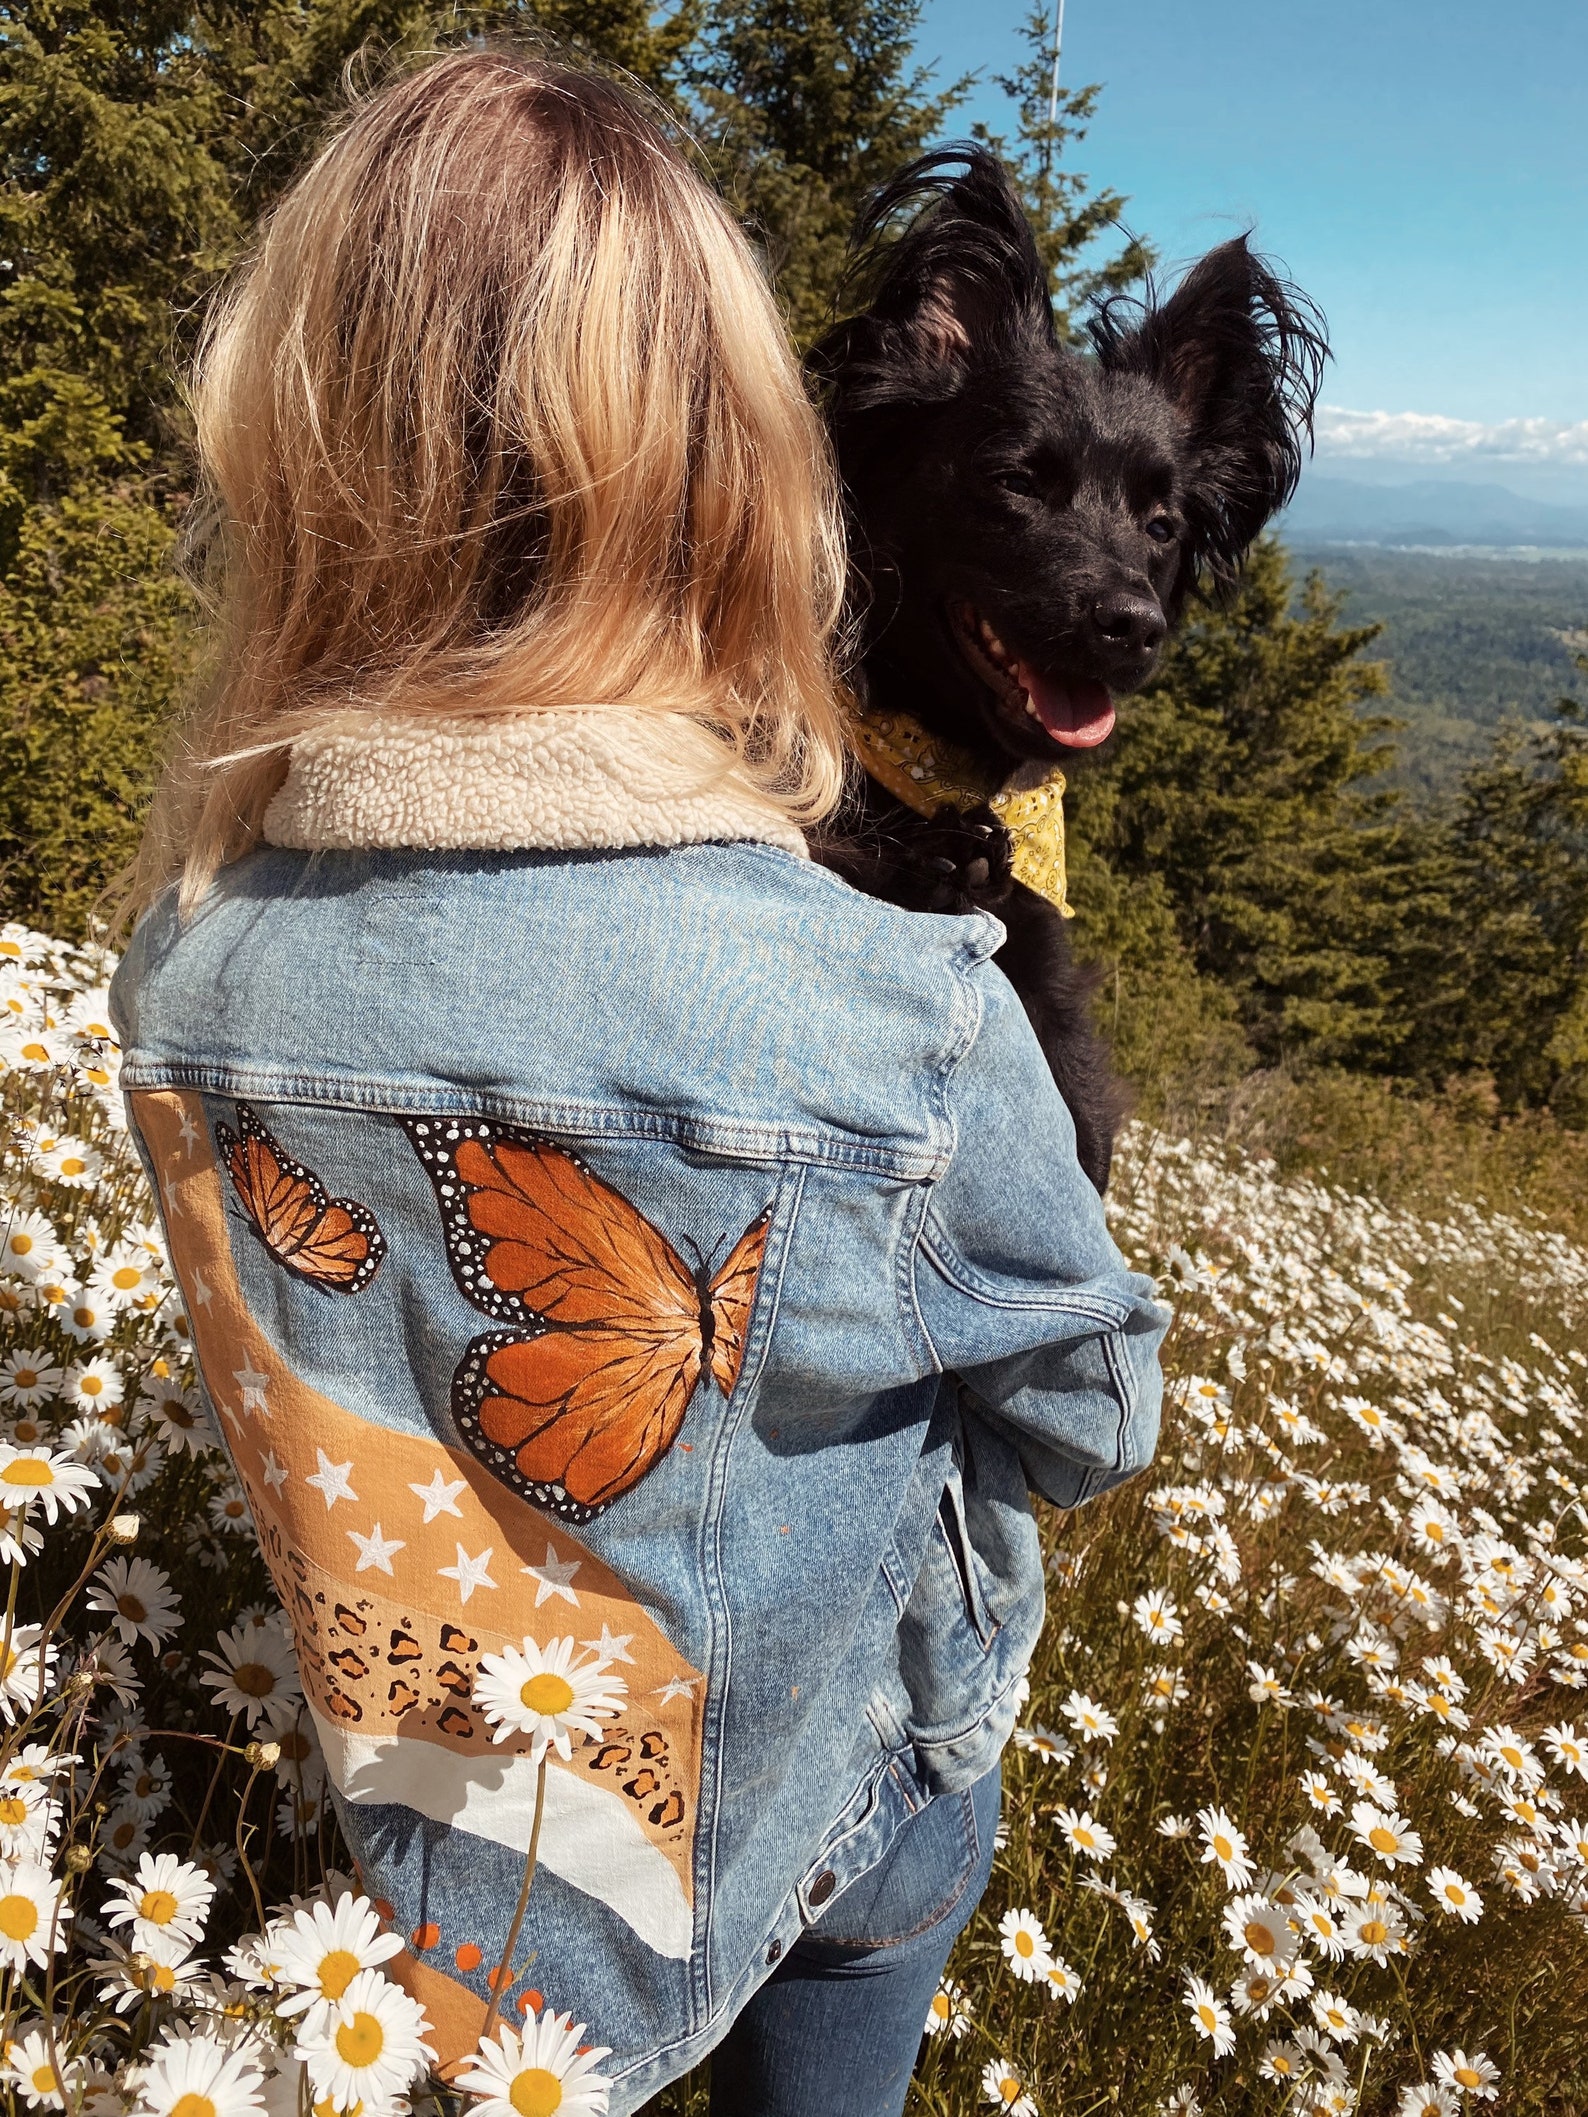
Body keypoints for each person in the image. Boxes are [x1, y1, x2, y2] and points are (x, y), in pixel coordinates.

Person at [109, 49, 1166, 2117]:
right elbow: (1079, 1418)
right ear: (735, 463)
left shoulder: (187, 957)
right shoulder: (895, 1006)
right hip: (822, 1805)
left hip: (453, 1816)